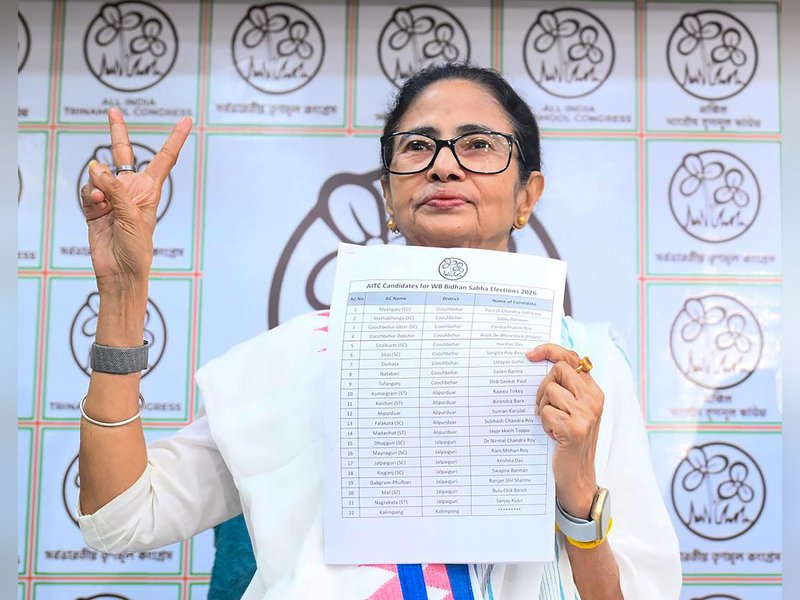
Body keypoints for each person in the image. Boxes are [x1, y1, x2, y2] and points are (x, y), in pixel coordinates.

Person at [76, 63, 681, 599]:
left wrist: (578, 495)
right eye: (417, 146)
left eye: (479, 145)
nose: (444, 164)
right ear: (388, 194)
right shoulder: (293, 358)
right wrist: (124, 293)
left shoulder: (588, 365)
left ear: (528, 194)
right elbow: (119, 517)